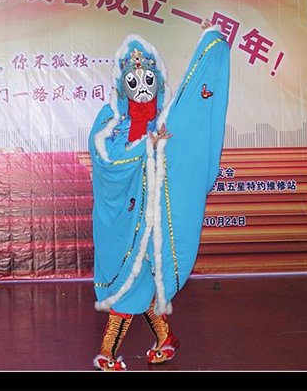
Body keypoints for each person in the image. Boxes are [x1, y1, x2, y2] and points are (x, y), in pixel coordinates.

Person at [88, 20, 230, 371]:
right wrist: (145, 147)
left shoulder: (168, 121)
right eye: (133, 81)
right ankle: (163, 338)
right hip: (127, 224)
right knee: (133, 283)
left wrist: (209, 41)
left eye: (148, 79)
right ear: (122, 85)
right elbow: (107, 160)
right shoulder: (110, 121)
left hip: (158, 224)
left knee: (140, 285)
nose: (141, 87)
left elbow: (193, 128)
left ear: (159, 80)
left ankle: (110, 353)